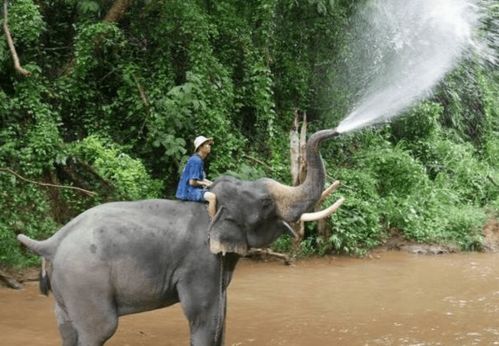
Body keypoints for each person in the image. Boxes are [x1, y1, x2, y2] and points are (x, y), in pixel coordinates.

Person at [176, 135, 217, 217]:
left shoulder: (198, 160)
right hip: (188, 191)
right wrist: (205, 184)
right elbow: (192, 182)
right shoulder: (196, 161)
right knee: (212, 197)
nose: (209, 146)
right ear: (200, 147)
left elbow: (201, 179)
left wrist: (212, 183)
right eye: (207, 144)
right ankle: (213, 222)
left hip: (190, 189)